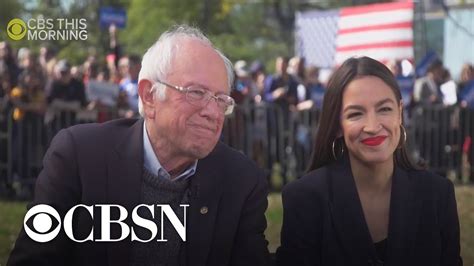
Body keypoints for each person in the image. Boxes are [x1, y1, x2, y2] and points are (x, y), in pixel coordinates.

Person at [8, 25, 270, 266]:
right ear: (149, 96)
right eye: (196, 93)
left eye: (221, 99)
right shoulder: (79, 157)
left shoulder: (241, 179)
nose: (213, 112)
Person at [276, 56, 462, 266]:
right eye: (356, 114)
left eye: (384, 109)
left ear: (400, 113)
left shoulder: (438, 195)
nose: (372, 126)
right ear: (337, 125)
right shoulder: (304, 198)